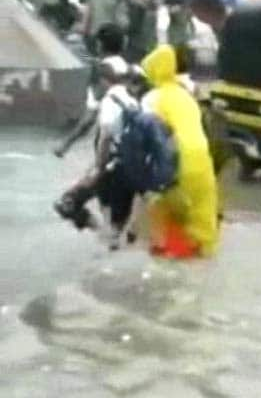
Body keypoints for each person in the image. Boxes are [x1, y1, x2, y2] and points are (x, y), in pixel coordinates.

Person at [54, 31, 135, 242]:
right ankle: (114, 241)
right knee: (119, 218)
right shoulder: (132, 70)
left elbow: (93, 118)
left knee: (68, 203)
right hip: (131, 156)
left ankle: (104, 237)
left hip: (108, 158)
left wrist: (66, 143)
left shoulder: (101, 74)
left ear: (99, 44)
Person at [140, 45, 219, 257]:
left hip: (176, 160)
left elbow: (150, 137)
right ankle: (203, 258)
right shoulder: (186, 95)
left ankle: (177, 259)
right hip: (202, 158)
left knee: (170, 216)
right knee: (201, 213)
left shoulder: (152, 98)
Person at [54, 24, 125, 158]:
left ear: (99, 44)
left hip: (111, 143)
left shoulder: (102, 71)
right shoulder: (128, 69)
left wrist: (66, 143)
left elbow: (91, 116)